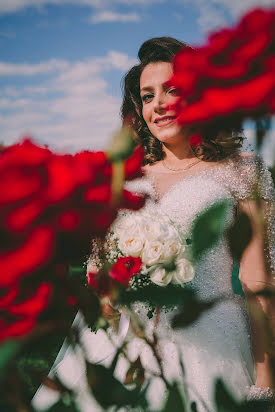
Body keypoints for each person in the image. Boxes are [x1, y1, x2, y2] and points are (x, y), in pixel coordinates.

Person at [33, 37, 275, 412]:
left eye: (172, 90)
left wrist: (265, 384)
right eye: (147, 96)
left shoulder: (241, 171)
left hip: (211, 345)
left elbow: (258, 283)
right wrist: (106, 292)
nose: (158, 104)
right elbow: (100, 271)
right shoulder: (125, 180)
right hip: (121, 345)